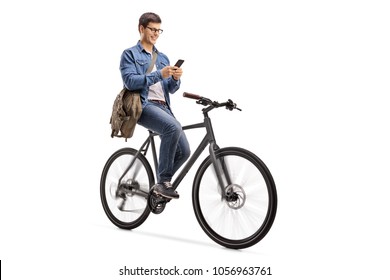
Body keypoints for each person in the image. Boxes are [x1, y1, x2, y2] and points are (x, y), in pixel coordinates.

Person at [119, 12, 190, 199]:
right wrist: (160, 74)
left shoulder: (163, 58)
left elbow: (170, 89)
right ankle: (163, 182)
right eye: (152, 29)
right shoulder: (130, 54)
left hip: (164, 107)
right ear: (141, 28)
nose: (156, 34)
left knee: (184, 152)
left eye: (159, 30)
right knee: (173, 127)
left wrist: (175, 79)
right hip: (143, 106)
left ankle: (157, 188)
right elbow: (130, 82)